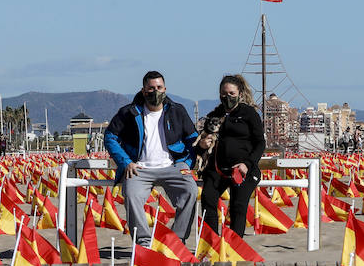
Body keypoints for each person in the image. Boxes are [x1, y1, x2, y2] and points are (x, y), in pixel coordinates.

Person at [105, 71, 200, 248]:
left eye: (159, 88)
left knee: (191, 191)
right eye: (150, 88)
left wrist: (187, 163)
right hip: (139, 168)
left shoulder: (177, 111)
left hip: (173, 166)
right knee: (131, 195)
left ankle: (178, 240)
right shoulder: (128, 112)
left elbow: (193, 138)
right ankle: (143, 242)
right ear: (143, 90)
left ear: (165, 89)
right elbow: (110, 136)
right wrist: (125, 162)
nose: (155, 92)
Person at [197, 74, 264, 239]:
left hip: (243, 170)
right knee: (207, 200)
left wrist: (247, 164)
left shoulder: (249, 114)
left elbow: (260, 143)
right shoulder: (215, 114)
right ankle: (211, 243)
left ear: (240, 94)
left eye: (232, 94)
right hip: (218, 170)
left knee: (238, 206)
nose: (228, 97)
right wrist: (203, 143)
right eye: (224, 94)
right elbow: (204, 138)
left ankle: (234, 246)